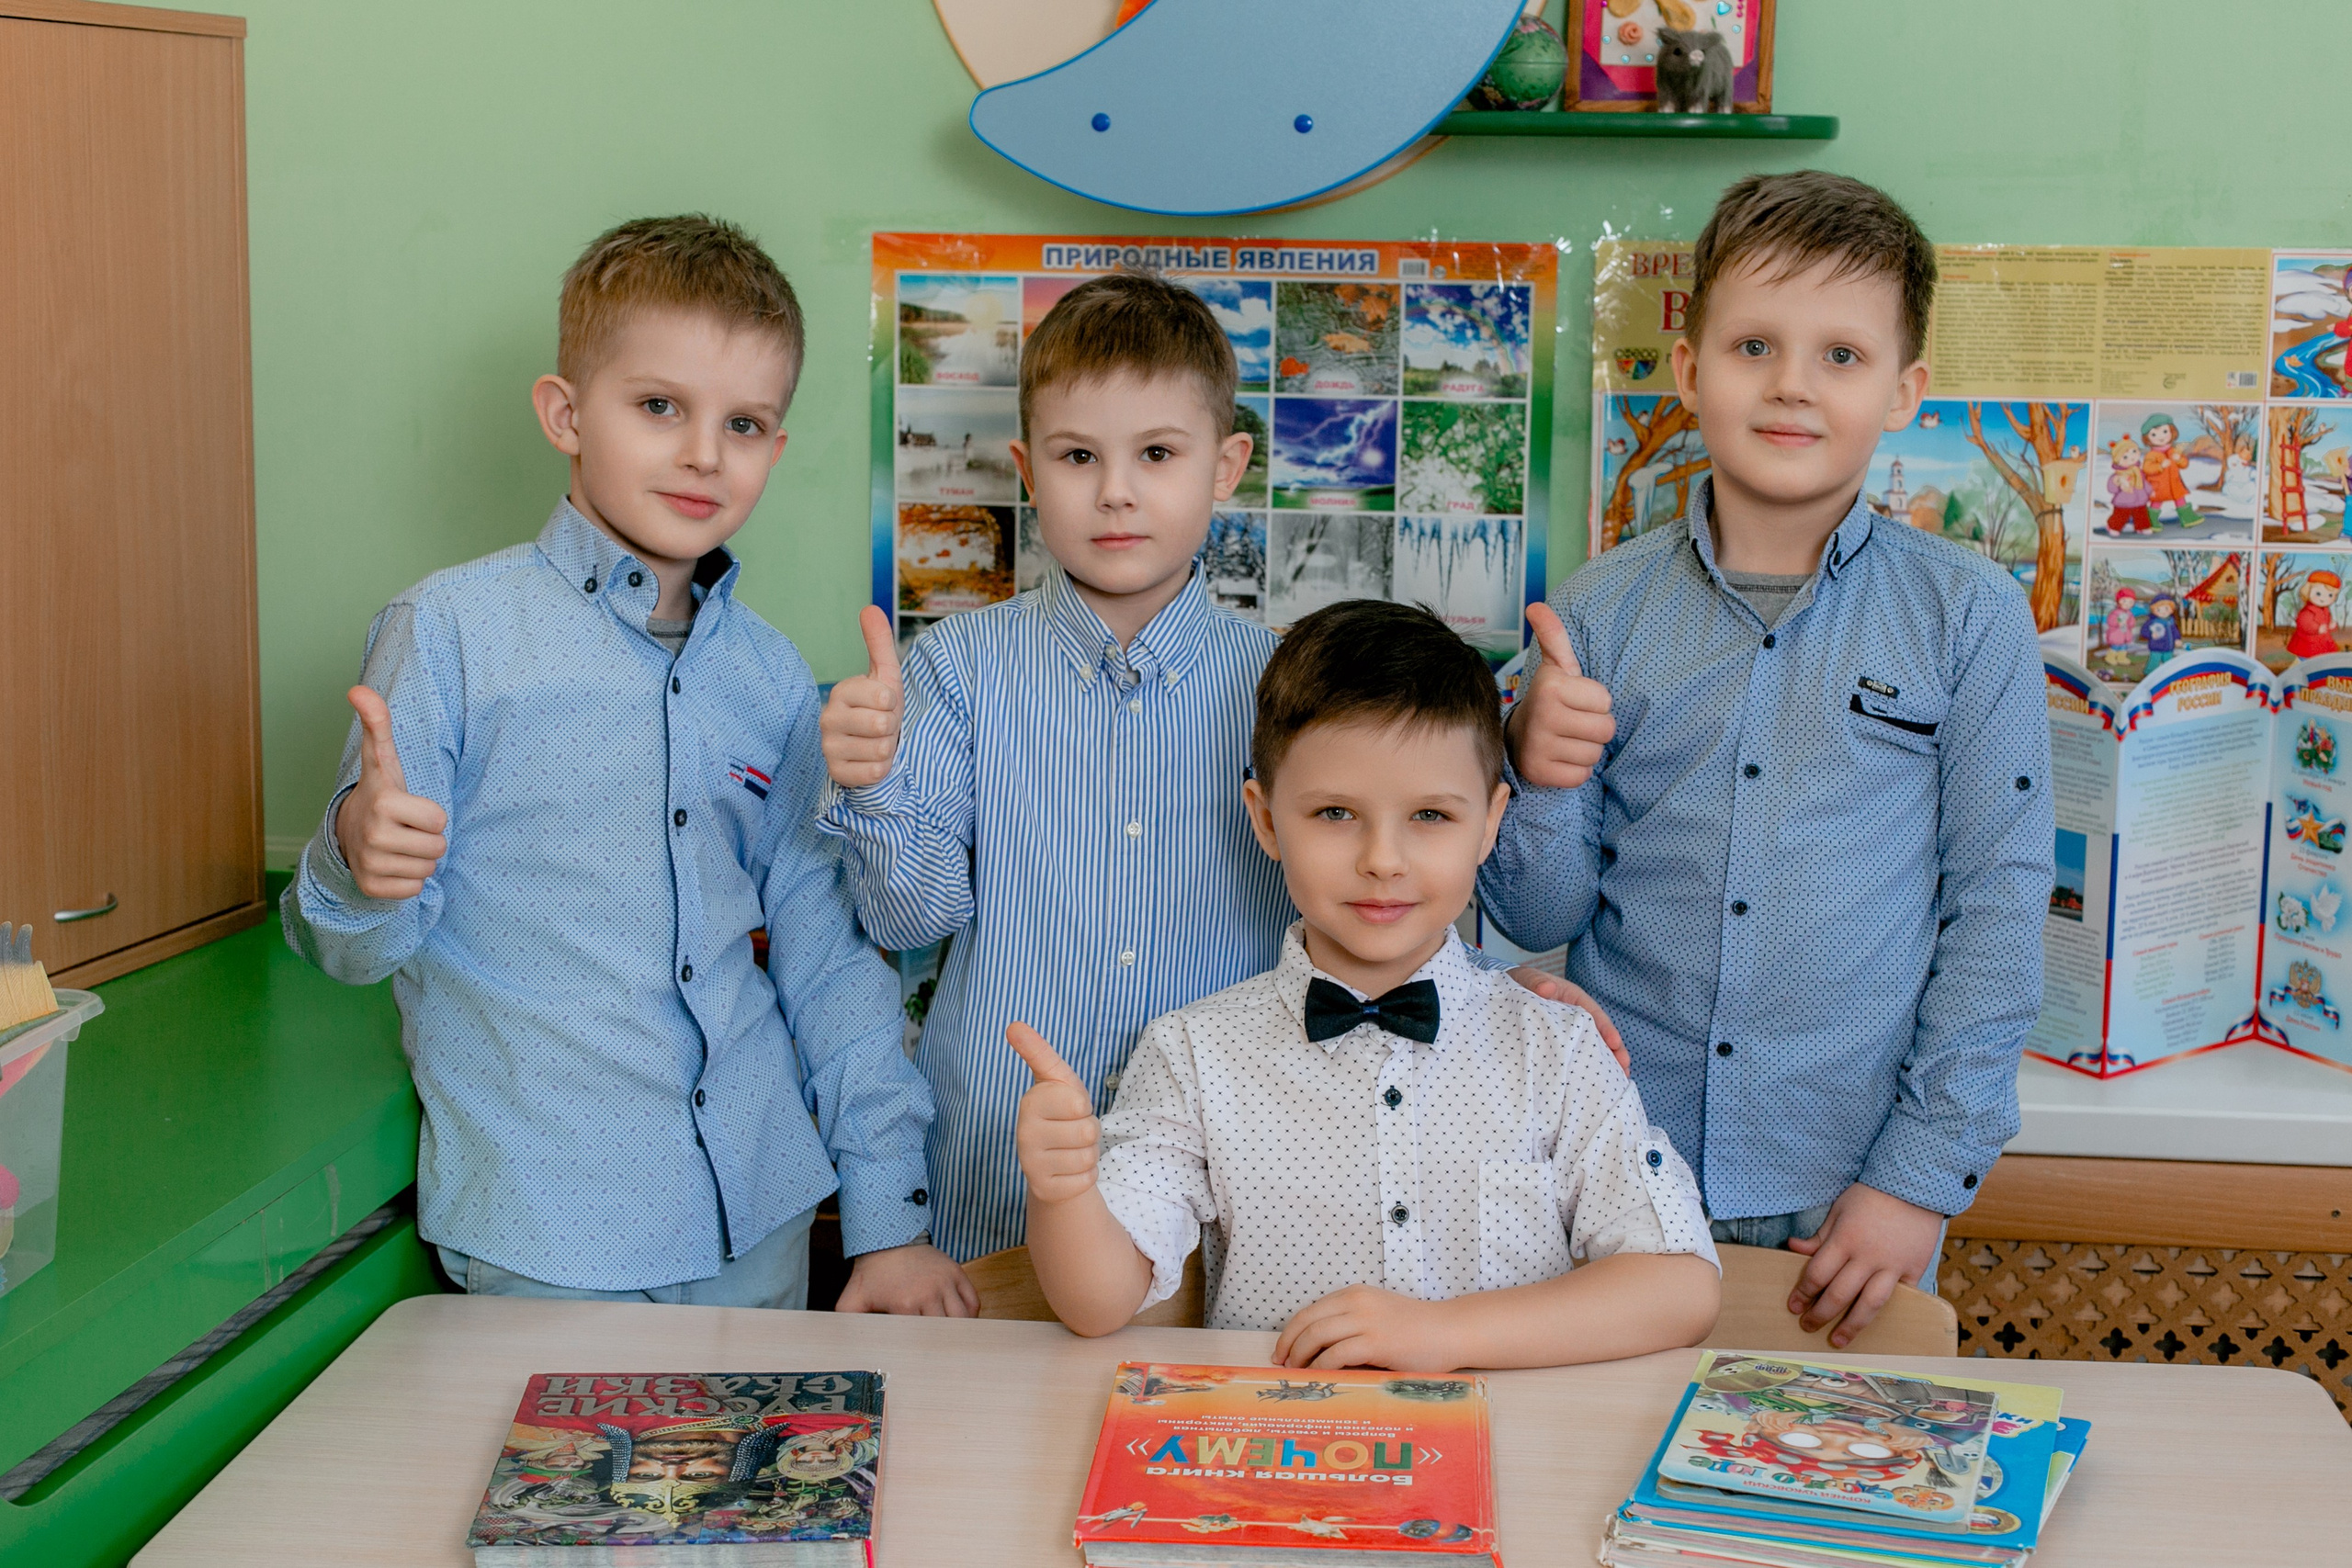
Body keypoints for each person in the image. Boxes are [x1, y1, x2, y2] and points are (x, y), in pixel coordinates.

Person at [817, 272, 1620, 1263]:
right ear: (1028, 468)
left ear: (1226, 464)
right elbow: (910, 918)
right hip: (998, 1179)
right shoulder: (953, 670)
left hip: (1247, 1190)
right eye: (1078, 456)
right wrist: (874, 786)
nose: (1116, 490)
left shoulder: (1287, 683)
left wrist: (1505, 994)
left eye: (1157, 453)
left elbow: (1373, 895)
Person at [284, 216, 973, 1314]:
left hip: (759, 1216)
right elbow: (348, 953)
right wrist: (353, 863)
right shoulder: (451, 634)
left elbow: (829, 969)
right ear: (565, 413)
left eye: (743, 423)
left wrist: (887, 1220)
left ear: (775, 450)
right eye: (660, 407)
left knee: (764, 1491)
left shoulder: (771, 676)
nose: (704, 453)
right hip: (547, 1231)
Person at [1481, 170, 2053, 1349]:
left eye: (1840, 356)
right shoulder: (1598, 612)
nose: (1792, 384)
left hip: (1844, 1185)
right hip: (1609, 1162)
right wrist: (1538, 776)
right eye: (1754, 344)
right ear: (1689, 369)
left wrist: (1915, 1179)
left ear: (1904, 392)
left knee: (1815, 1498)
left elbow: (1997, 910)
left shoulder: (1967, 615)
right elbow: (1542, 909)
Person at [1009, 600, 1720, 1370]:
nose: (1383, 858)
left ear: (1490, 822)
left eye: (1430, 815)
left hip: (1510, 1466)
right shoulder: (1194, 1052)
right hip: (1275, 1465)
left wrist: (1444, 1335)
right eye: (1337, 812)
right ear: (1268, 819)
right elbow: (1095, 1301)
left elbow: (1680, 1283)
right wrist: (1064, 1191)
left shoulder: (1554, 1045)